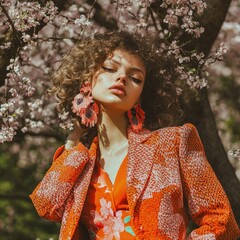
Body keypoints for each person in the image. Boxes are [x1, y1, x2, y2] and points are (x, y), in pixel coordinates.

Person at [30, 31, 240, 240]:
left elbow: (221, 221)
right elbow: (47, 205)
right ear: (87, 80)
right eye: (110, 68)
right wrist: (74, 138)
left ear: (140, 96)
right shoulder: (80, 163)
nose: (121, 77)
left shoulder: (173, 142)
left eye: (135, 78)